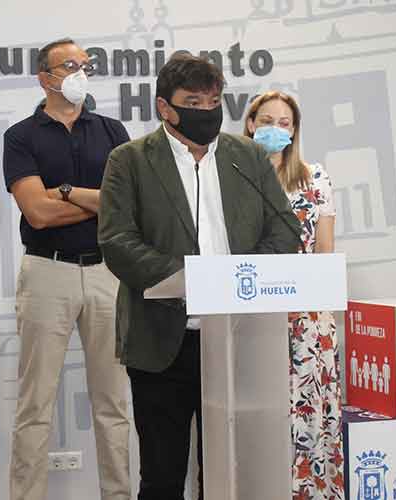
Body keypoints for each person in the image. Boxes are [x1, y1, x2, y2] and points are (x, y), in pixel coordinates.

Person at [98, 55, 300, 500]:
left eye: (214, 100)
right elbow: (117, 242)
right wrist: (193, 280)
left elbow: (285, 231)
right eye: (193, 101)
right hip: (162, 341)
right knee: (163, 476)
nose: (207, 110)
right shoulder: (128, 160)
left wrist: (236, 279)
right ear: (164, 108)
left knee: (238, 471)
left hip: (238, 340)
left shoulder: (246, 156)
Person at [3, 38, 131, 500]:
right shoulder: (21, 136)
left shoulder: (112, 131)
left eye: (85, 64)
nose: (80, 71)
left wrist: (64, 192)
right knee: (35, 403)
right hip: (46, 273)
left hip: (107, 275)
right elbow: (37, 213)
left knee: (113, 403)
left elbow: (127, 205)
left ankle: (118, 494)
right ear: (45, 77)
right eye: (69, 65)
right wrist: (97, 200)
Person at [244, 90, 343, 500]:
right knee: (260, 416)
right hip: (251, 316)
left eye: (284, 123)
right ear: (250, 123)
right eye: (266, 120)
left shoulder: (315, 177)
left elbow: (324, 253)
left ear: (295, 130)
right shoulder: (232, 176)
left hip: (306, 320)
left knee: (308, 418)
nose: (274, 129)